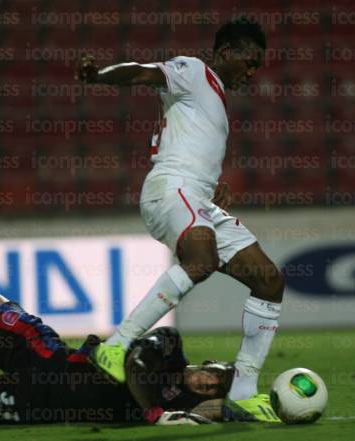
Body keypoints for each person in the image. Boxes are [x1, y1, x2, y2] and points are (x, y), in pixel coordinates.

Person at [0, 207, 273, 425]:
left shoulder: (189, 408)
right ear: (207, 365)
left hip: (34, 405)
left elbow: (228, 412)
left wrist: (263, 407)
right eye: (215, 375)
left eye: (214, 389)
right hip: (49, 357)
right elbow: (136, 368)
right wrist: (154, 411)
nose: (209, 384)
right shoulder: (171, 354)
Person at [75, 16, 283, 422]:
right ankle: (116, 345)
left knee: (269, 281)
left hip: (196, 196)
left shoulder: (215, 99)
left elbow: (192, 144)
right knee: (201, 261)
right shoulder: (194, 70)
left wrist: (212, 186)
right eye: (249, 60)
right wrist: (99, 75)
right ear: (225, 52)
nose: (253, 70)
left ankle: (242, 389)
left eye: (258, 64)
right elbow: (142, 73)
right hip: (171, 189)